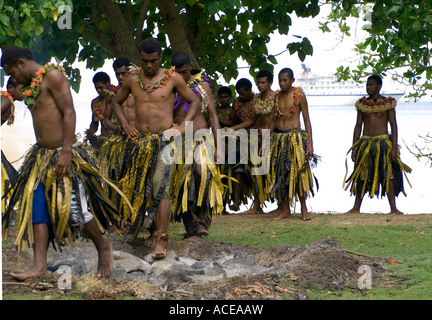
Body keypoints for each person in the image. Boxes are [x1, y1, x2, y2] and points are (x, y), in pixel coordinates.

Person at [1, 46, 129, 280]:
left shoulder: (53, 76)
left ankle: (103, 247)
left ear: (21, 63)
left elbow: (69, 112)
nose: (13, 79)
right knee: (37, 210)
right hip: (41, 157)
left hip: (62, 153)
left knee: (74, 210)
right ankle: (39, 266)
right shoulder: (32, 86)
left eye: (12, 72)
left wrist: (67, 152)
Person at [108, 39, 200, 259]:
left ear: (160, 57)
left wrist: (180, 127)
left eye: (153, 61)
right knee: (141, 188)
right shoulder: (132, 79)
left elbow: (195, 101)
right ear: (140, 58)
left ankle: (161, 240)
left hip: (164, 142)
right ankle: (139, 230)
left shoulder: (173, 79)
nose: (149, 65)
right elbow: (116, 103)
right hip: (140, 143)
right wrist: (126, 125)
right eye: (144, 61)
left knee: (162, 187)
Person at [169, 51, 224, 237]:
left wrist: (219, 147)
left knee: (203, 173)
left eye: (184, 72)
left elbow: (213, 116)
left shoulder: (202, 85)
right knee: (181, 183)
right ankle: (190, 228)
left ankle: (202, 219)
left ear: (190, 66)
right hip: (178, 141)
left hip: (201, 138)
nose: (182, 76)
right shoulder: (170, 84)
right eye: (178, 72)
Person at [344, 75, 412, 214]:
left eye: (371, 85)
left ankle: (393, 208)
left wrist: (394, 147)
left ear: (379, 86)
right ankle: (356, 207)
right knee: (362, 174)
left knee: (389, 174)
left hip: (383, 142)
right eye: (367, 85)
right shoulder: (362, 104)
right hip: (366, 142)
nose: (368, 87)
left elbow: (393, 126)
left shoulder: (388, 103)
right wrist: (354, 147)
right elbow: (358, 126)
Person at [268, 68, 317, 221]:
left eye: (285, 80)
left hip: (295, 138)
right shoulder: (276, 97)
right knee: (280, 174)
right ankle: (285, 210)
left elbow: (307, 120)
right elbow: (272, 121)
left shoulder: (299, 95)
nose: (282, 83)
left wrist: (310, 144)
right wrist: (266, 142)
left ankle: (304, 208)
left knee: (299, 174)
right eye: (280, 80)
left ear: (292, 80)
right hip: (278, 139)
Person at [243, 70, 277, 215]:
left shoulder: (276, 97)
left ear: (270, 83)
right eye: (258, 82)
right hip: (258, 137)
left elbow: (276, 119)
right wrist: (232, 128)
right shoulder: (257, 99)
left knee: (275, 171)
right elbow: (252, 120)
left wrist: (267, 135)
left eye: (263, 83)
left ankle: (282, 206)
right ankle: (256, 206)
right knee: (256, 171)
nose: (260, 85)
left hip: (273, 138)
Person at [224, 78, 257, 212]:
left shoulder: (257, 101)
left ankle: (239, 202)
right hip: (239, 139)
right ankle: (231, 202)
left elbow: (251, 122)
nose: (240, 96)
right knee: (234, 164)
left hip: (255, 138)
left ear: (250, 91)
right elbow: (231, 120)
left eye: (242, 93)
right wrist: (212, 115)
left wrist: (234, 129)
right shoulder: (237, 102)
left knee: (240, 163)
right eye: (238, 94)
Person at [1, 77, 23, 218]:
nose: (26, 92)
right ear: (11, 88)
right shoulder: (5, 101)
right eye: (23, 88)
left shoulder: (6, 101)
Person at [103, 57, 136, 134]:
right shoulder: (112, 93)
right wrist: (116, 128)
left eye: (123, 73)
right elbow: (106, 119)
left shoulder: (138, 91)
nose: (120, 77)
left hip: (139, 134)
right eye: (117, 74)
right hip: (121, 136)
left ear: (130, 72)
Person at [85, 72, 111, 148]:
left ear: (108, 84)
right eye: (96, 88)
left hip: (116, 140)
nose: (98, 91)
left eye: (101, 87)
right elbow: (94, 123)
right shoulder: (95, 102)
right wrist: (90, 133)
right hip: (103, 140)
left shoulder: (117, 98)